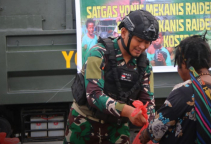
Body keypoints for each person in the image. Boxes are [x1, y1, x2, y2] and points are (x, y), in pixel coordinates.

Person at [65, 9, 159, 144]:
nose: (143, 46)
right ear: (124, 32)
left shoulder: (144, 65)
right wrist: (129, 111)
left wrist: (148, 124)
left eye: (147, 42)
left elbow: (148, 101)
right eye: (139, 40)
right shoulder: (98, 53)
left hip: (117, 129)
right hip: (84, 125)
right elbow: (94, 95)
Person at [140, 32, 211, 144]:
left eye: (178, 64)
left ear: (184, 63)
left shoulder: (183, 92)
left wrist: (144, 135)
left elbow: (156, 129)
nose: (178, 70)